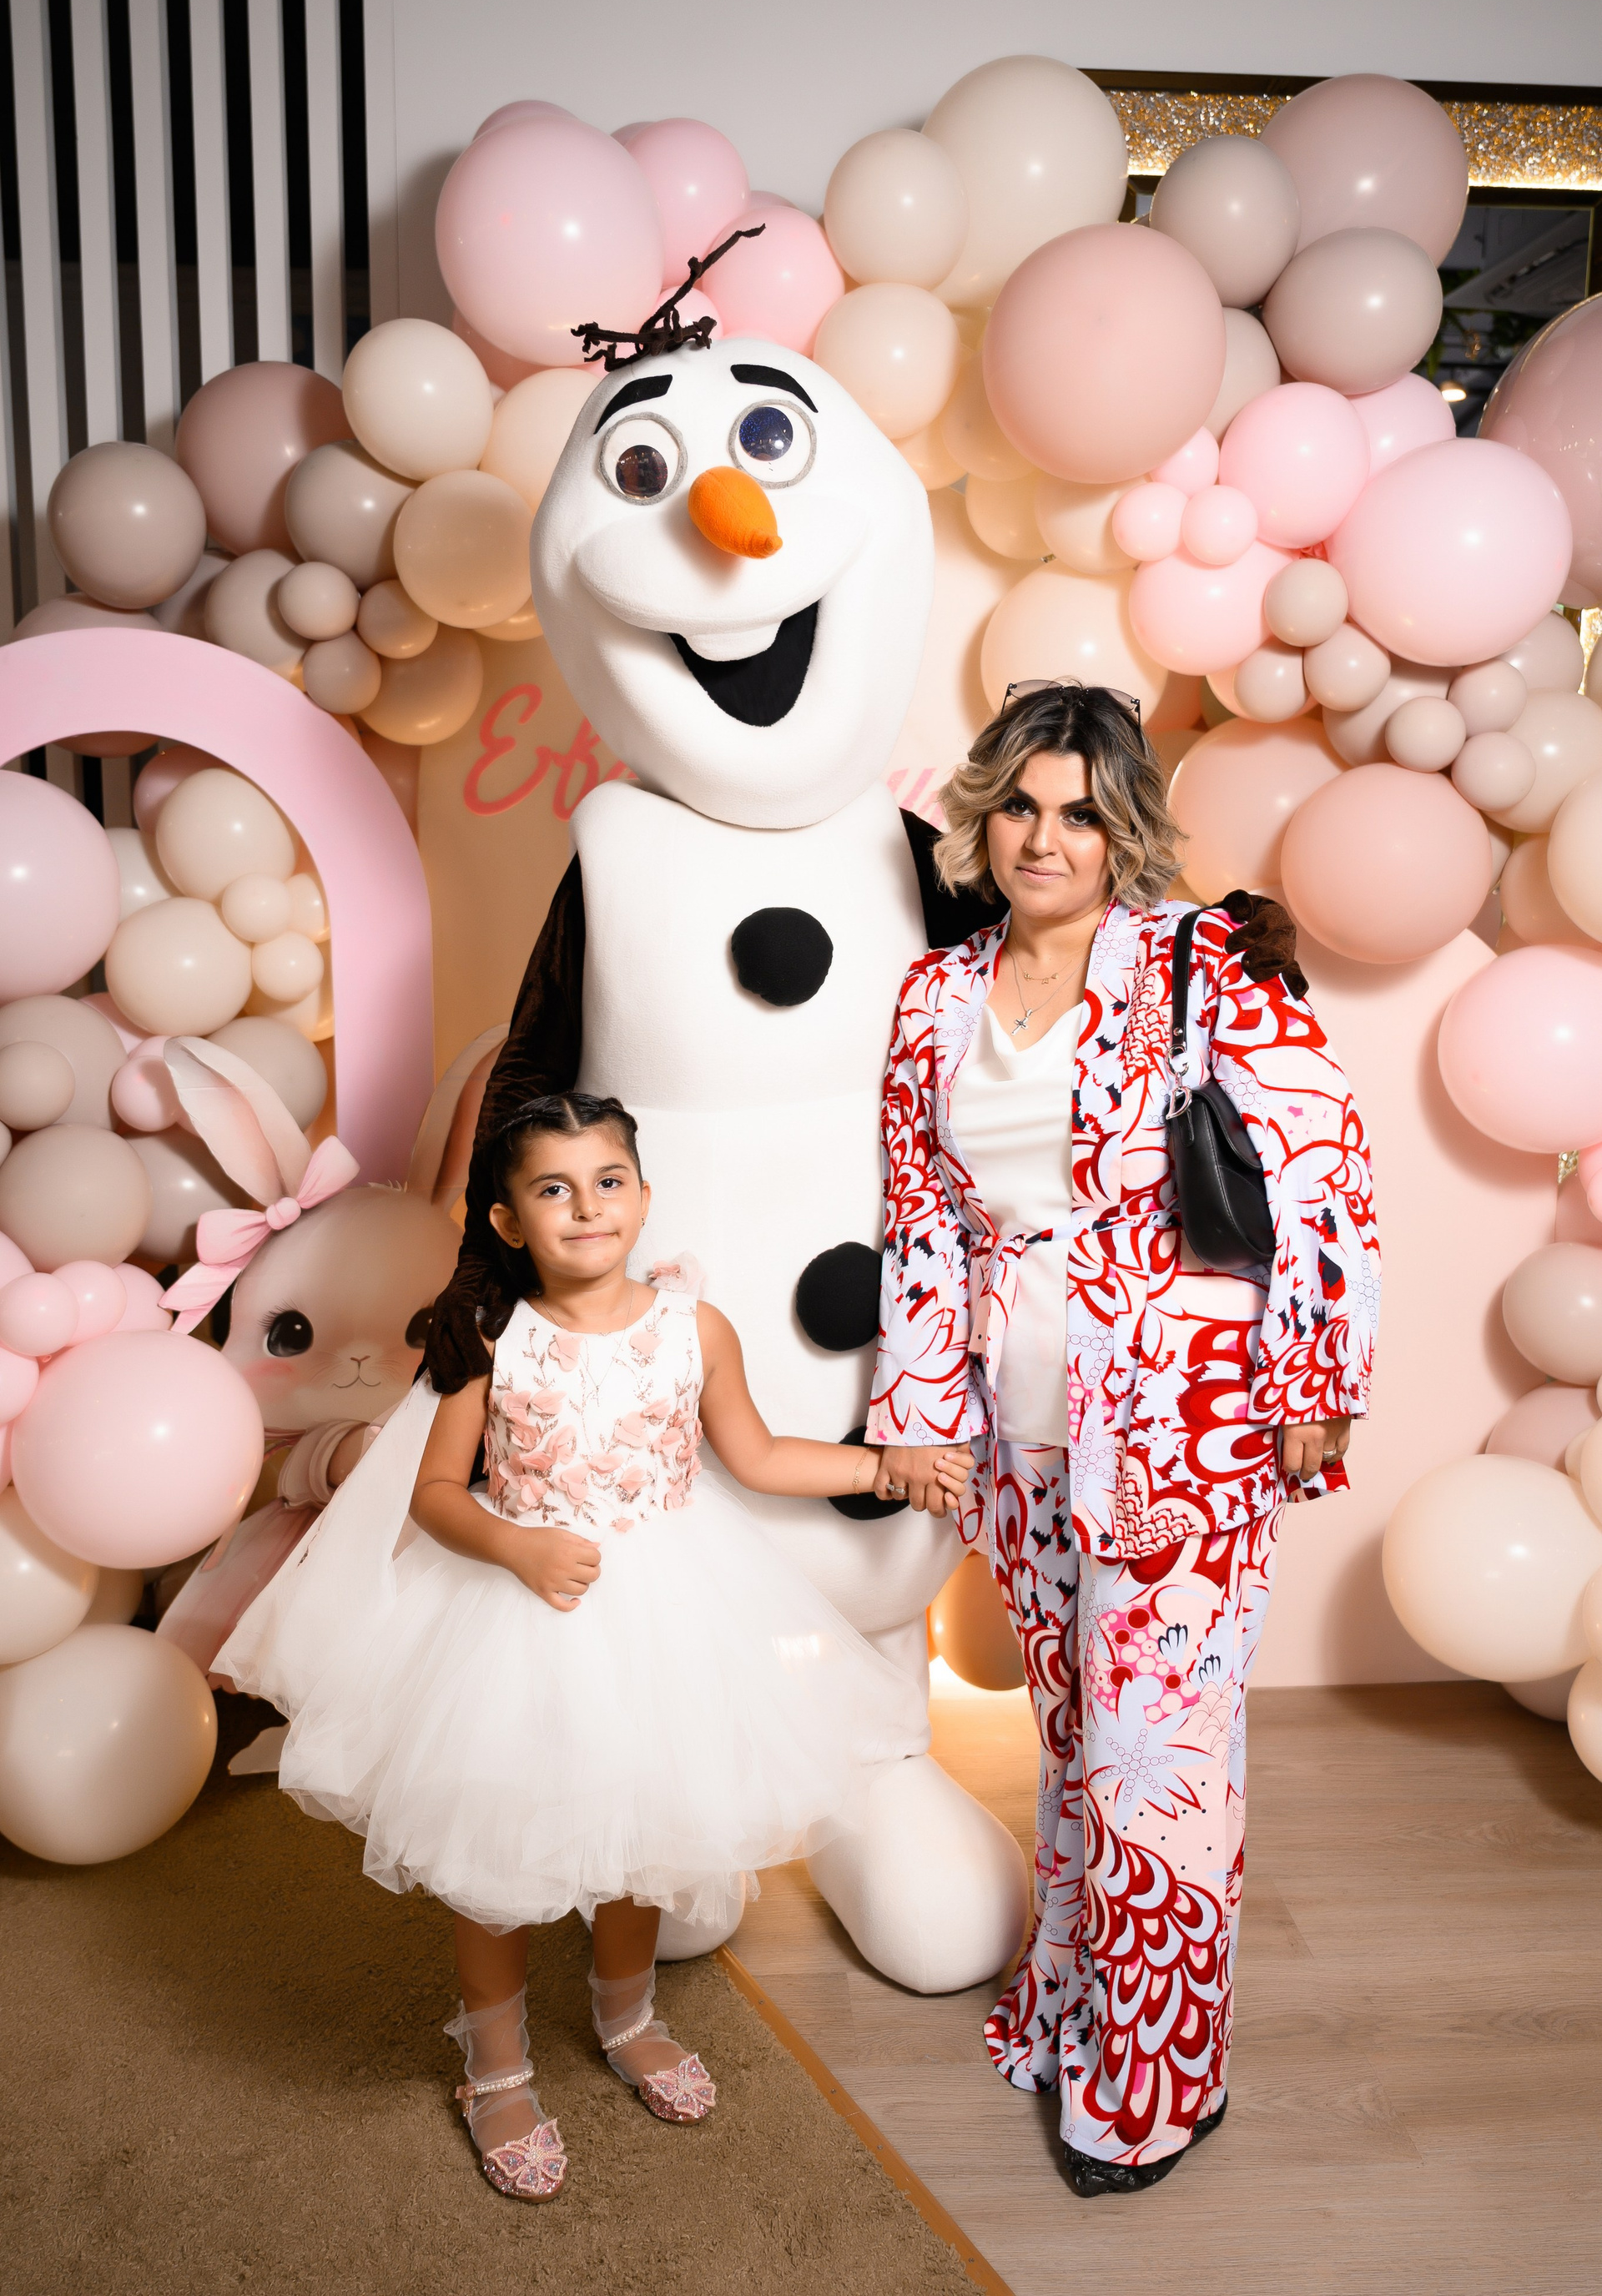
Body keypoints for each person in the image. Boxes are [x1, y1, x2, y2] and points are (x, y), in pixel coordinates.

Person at [217, 1090, 964, 2204]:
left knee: (644, 1823)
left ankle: (628, 2018)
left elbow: (757, 1456)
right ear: (509, 1220)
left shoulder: (695, 1328)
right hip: (518, 1615)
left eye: (608, 1182)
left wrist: (880, 1465)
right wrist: (515, 1546)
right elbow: (434, 1491)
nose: (587, 1207)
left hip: (669, 1608)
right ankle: (496, 2065)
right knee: (496, 1848)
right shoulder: (491, 1339)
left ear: (644, 1198)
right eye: (554, 1189)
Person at [867, 682, 1379, 2198]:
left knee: (1161, 1762)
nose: (1047, 838)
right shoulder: (934, 995)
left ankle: (1152, 2091)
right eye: (1023, 806)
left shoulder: (1197, 959)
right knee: (1076, 1739)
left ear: (1124, 831)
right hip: (1021, 1436)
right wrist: (923, 1416)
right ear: (984, 816)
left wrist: (1315, 1376)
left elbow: (1325, 1164)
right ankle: (1074, 2002)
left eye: (1082, 814)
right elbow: (922, 1216)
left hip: (1186, 1424)